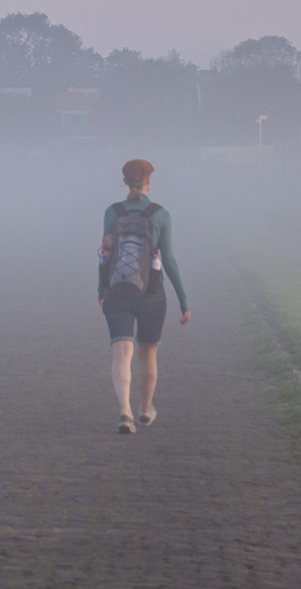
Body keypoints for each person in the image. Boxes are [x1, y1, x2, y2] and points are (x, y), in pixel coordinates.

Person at [98, 158, 189, 434]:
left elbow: (106, 254)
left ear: (126, 183)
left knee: (121, 353)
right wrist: (184, 302)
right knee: (147, 355)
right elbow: (170, 261)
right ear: (149, 182)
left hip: (117, 292)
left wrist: (102, 290)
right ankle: (145, 410)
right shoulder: (161, 215)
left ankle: (124, 411)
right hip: (151, 295)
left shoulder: (112, 212)